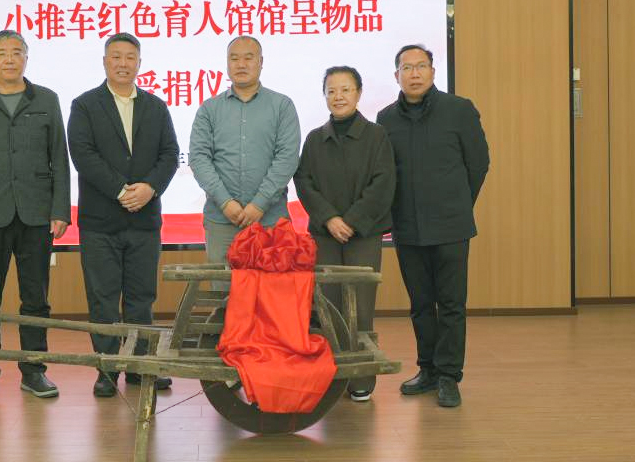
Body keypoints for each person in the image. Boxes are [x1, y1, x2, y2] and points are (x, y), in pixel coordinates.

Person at [0, 30, 71, 404]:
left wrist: (60, 209)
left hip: (36, 214)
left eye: (16, 52)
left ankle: (34, 370)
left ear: (26, 58)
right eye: (1, 53)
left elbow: (60, 158)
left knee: (36, 298)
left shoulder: (47, 99)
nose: (9, 59)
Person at [67, 32, 180, 398]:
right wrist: (120, 190)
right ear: (104, 62)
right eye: (115, 56)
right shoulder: (85, 105)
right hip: (100, 222)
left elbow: (170, 153)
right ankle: (107, 369)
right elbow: (83, 154)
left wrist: (149, 188)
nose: (122, 63)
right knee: (102, 299)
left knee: (141, 298)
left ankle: (139, 367)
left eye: (130, 57)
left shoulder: (156, 106)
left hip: (144, 221)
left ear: (139, 63)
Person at [377, 44, 489, 408]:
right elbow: (385, 173)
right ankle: (427, 369)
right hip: (408, 227)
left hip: (451, 225)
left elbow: (478, 164)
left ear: (432, 71)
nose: (414, 73)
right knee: (421, 304)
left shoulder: (459, 110)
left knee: (451, 303)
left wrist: (458, 203)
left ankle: (449, 376)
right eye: (407, 68)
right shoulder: (385, 118)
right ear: (396, 76)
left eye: (421, 66)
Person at [294, 65, 395, 403]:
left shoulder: (377, 136)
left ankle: (360, 379)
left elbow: (383, 182)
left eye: (345, 90)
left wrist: (350, 220)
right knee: (327, 307)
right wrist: (330, 219)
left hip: (363, 235)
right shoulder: (314, 139)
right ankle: (330, 377)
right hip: (325, 235)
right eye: (331, 91)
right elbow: (304, 182)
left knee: (360, 307)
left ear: (358, 93)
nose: (338, 96)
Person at [189, 36, 301, 281]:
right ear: (227, 64)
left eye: (248, 58)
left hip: (271, 221)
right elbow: (198, 158)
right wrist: (225, 202)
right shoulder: (209, 109)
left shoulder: (282, 106)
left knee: (273, 295)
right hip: (222, 222)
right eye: (234, 58)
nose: (241, 64)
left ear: (261, 62)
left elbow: (287, 158)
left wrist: (259, 204)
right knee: (224, 295)